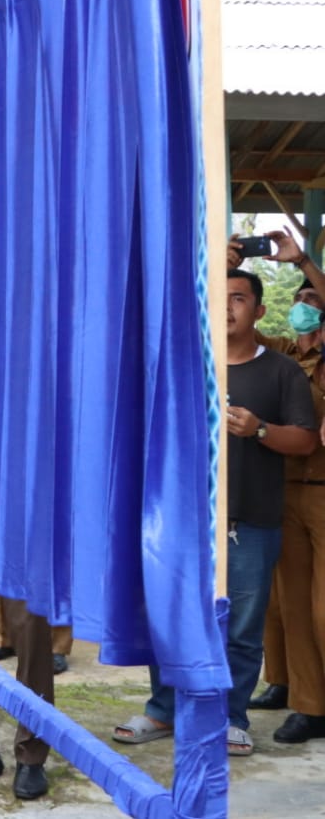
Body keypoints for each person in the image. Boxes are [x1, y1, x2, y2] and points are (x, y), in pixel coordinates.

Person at [111, 268, 316, 760]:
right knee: (170, 617)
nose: (226, 306)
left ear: (259, 311)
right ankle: (163, 710)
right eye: (219, 296)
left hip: (252, 520)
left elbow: (305, 440)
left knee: (241, 628)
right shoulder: (187, 364)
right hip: (181, 518)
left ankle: (230, 717)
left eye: (239, 298)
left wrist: (259, 430)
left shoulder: (281, 371)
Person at [234, 230, 325, 743]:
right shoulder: (288, 356)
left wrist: (304, 264)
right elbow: (236, 333)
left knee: (322, 609)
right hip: (283, 489)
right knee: (285, 605)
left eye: (313, 301)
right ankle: (304, 702)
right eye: (298, 300)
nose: (303, 307)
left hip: (323, 489)